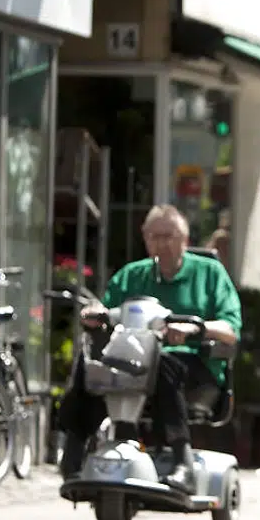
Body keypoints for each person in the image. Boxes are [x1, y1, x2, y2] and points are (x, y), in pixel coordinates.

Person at [57, 205, 242, 490]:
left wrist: (196, 329)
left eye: (168, 236)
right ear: (145, 239)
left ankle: (183, 463)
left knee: (163, 363)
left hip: (192, 366)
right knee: (90, 364)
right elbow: (106, 312)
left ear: (184, 239)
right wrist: (95, 315)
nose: (161, 244)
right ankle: (72, 455)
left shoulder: (210, 272)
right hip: (133, 362)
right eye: (154, 237)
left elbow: (231, 329)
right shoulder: (132, 275)